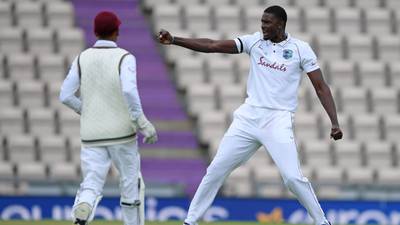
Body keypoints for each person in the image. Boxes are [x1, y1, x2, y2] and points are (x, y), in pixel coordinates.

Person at [158, 5, 343, 225]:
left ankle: (322, 222)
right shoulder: (254, 42)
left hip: (278, 120)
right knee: (216, 169)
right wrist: (175, 40)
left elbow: (321, 87)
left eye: (267, 22)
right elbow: (213, 45)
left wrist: (334, 122)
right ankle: (190, 221)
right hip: (248, 118)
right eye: (262, 21)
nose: (262, 26)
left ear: (281, 24)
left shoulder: (301, 49)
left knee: (293, 178)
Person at [59, 11, 158, 225]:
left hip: (91, 135)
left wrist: (86, 111)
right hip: (122, 134)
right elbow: (130, 92)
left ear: (95, 32)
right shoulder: (124, 57)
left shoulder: (82, 57)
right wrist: (142, 123)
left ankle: (83, 207)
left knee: (92, 183)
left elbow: (65, 95)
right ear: (117, 31)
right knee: (132, 186)